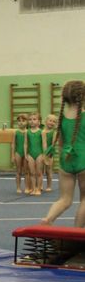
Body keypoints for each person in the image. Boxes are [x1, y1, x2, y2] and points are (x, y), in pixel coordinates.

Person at [41, 81, 85, 226]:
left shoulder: (62, 119)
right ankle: (77, 233)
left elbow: (60, 143)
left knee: (64, 199)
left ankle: (48, 219)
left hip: (66, 161)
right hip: (83, 159)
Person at [25, 112, 44, 197]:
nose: (32, 121)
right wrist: (26, 154)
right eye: (30, 119)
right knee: (32, 172)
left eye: (34, 119)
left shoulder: (41, 132)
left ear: (39, 121)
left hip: (39, 153)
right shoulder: (27, 132)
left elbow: (44, 144)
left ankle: (39, 188)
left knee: (39, 172)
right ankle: (33, 188)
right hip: (30, 154)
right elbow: (25, 144)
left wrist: (44, 154)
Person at [11, 113, 29, 194]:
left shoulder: (28, 132)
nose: (21, 122)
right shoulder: (16, 132)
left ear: (27, 122)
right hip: (18, 152)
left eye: (23, 121)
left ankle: (27, 187)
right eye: (19, 121)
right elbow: (13, 144)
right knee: (18, 171)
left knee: (26, 171)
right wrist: (12, 155)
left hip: (26, 153)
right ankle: (18, 187)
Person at [43, 114, 58, 192]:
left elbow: (53, 144)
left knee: (49, 170)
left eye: (54, 122)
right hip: (41, 152)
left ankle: (49, 186)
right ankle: (40, 185)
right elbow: (42, 143)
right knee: (40, 171)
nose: (51, 123)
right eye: (50, 120)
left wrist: (47, 154)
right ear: (46, 121)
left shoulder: (54, 132)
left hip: (49, 153)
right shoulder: (42, 131)